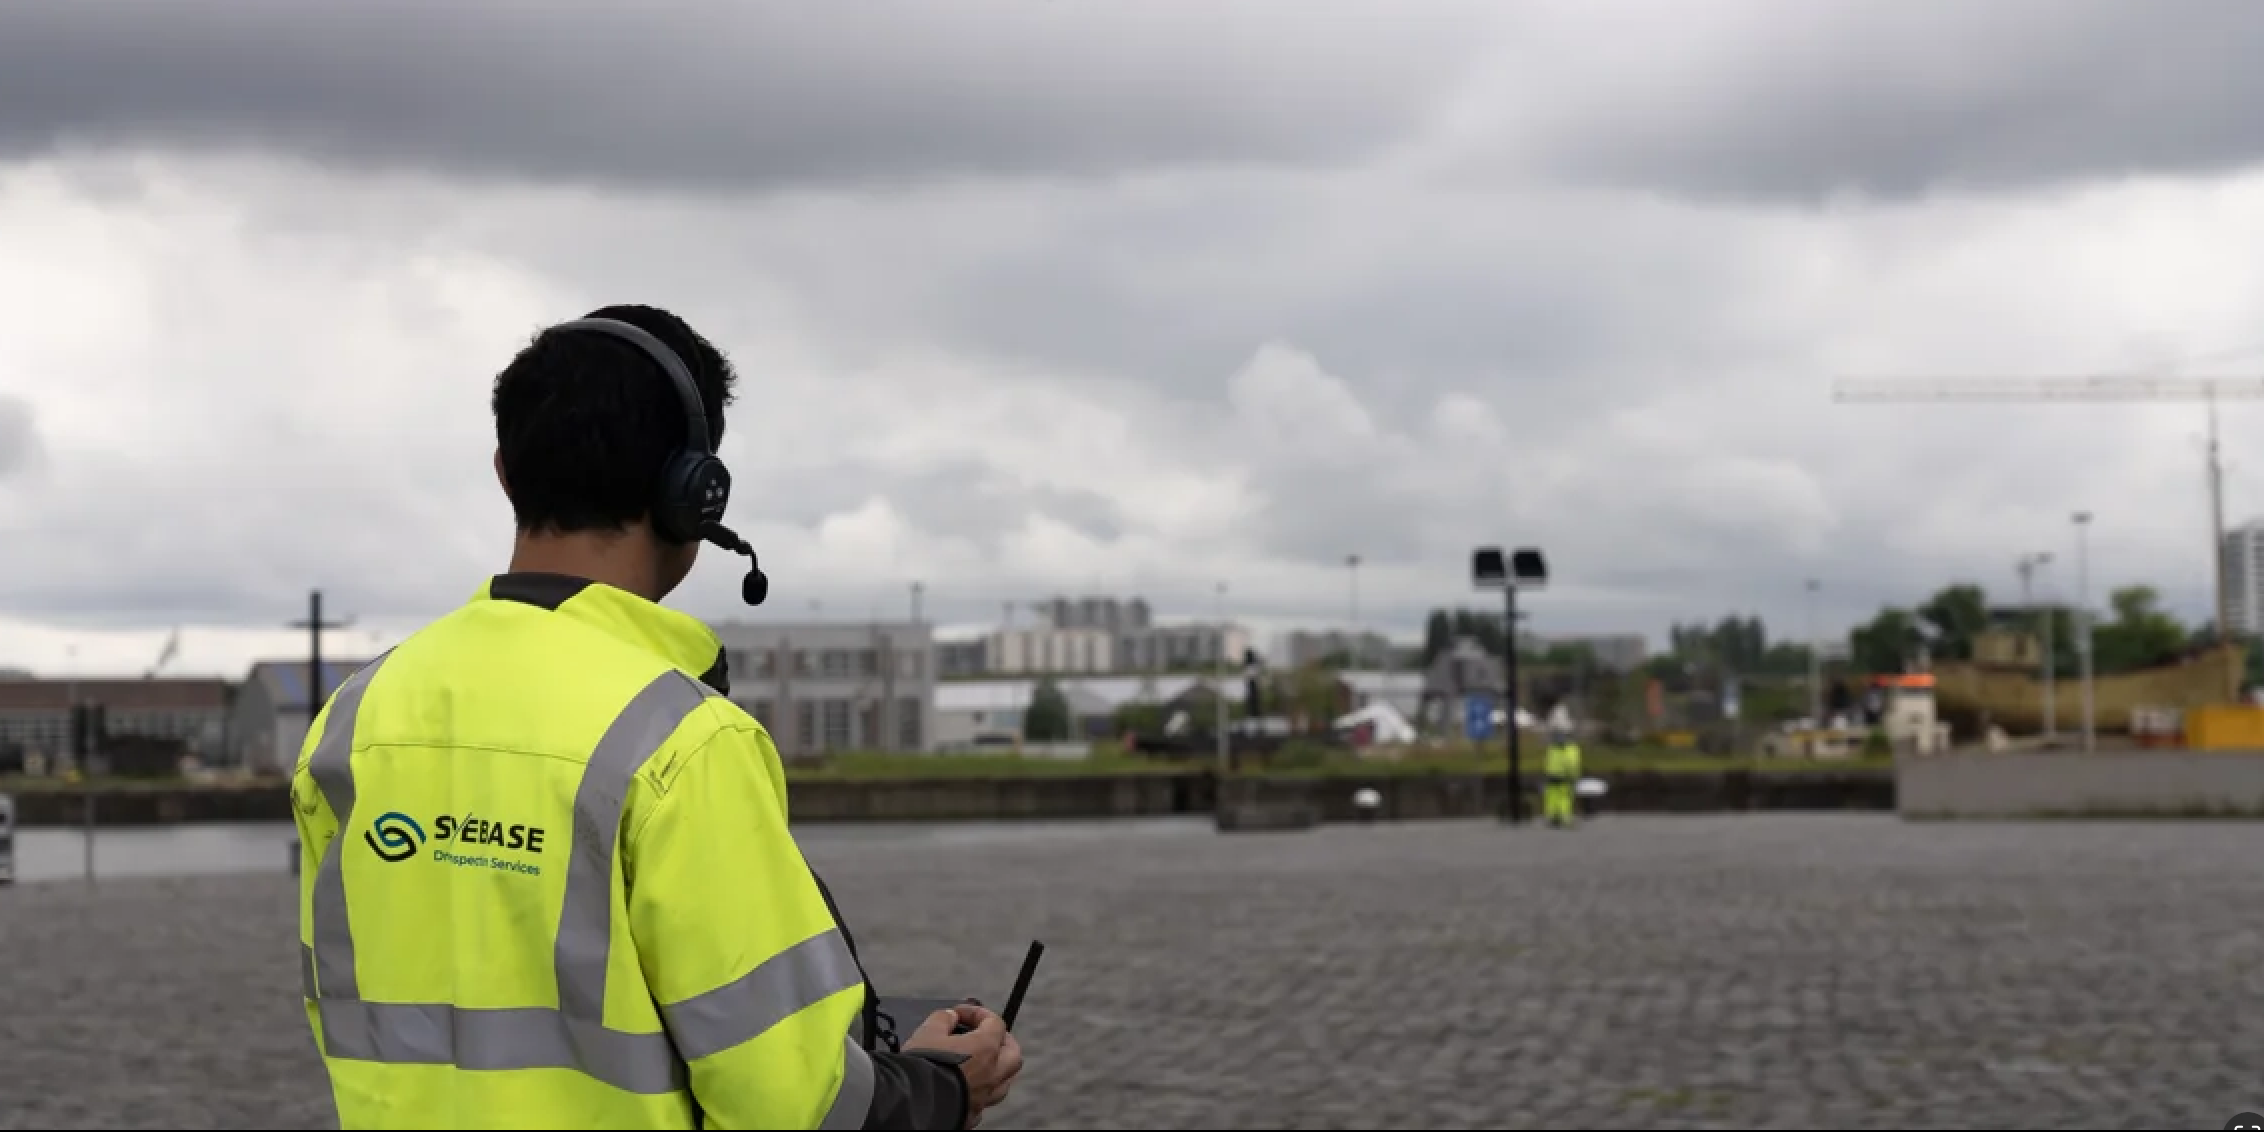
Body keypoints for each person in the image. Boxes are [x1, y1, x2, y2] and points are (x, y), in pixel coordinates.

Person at [289, 304, 1022, 1130]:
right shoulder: (682, 742)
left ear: (505, 472)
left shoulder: (355, 719)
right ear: (694, 494)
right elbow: (793, 1102)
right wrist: (938, 1085)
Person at [1542, 727, 1582, 828]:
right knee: (1565, 797)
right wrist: (1574, 776)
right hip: (1565, 776)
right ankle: (1565, 818)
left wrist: (1546, 773)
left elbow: (1547, 762)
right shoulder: (1571, 749)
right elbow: (1573, 764)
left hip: (1552, 775)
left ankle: (1553, 817)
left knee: (1552, 797)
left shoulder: (1552, 748)